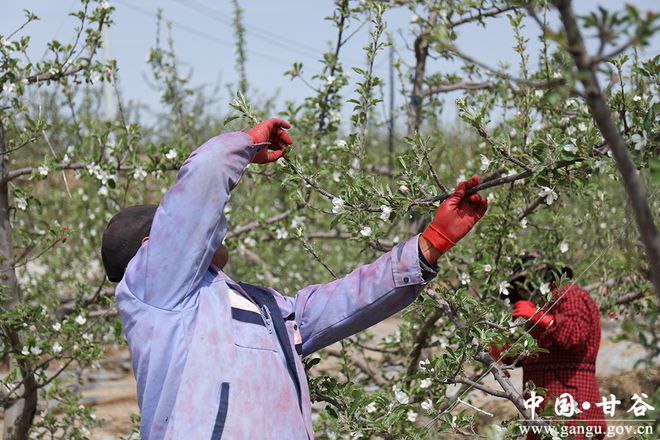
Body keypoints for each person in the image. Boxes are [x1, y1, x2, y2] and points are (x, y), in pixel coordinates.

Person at [101, 118, 488, 439]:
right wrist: (244, 144)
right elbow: (202, 183)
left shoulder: (258, 305)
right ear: (152, 250)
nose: (211, 230)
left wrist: (430, 245)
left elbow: (343, 301)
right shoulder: (153, 289)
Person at [493, 253, 606, 440]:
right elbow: (530, 351)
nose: (523, 290)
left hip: (573, 411)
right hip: (541, 415)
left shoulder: (570, 294)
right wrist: (500, 352)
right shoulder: (540, 306)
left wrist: (539, 316)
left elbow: (575, 336)